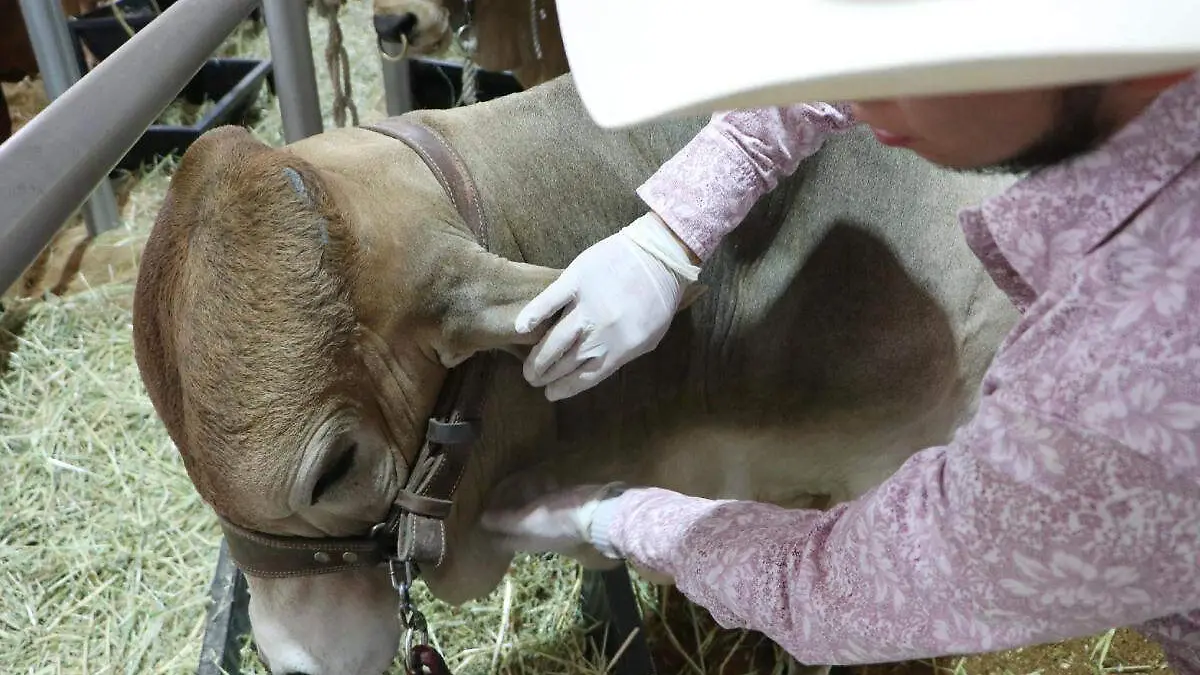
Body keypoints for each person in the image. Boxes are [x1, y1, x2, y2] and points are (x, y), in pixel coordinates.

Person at [480, 1, 1200, 672]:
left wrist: (618, 516)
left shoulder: (1115, 391)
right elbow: (843, 79)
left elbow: (840, 587)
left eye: (893, 64)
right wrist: (668, 236)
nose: (856, 99)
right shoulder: (1114, 74)